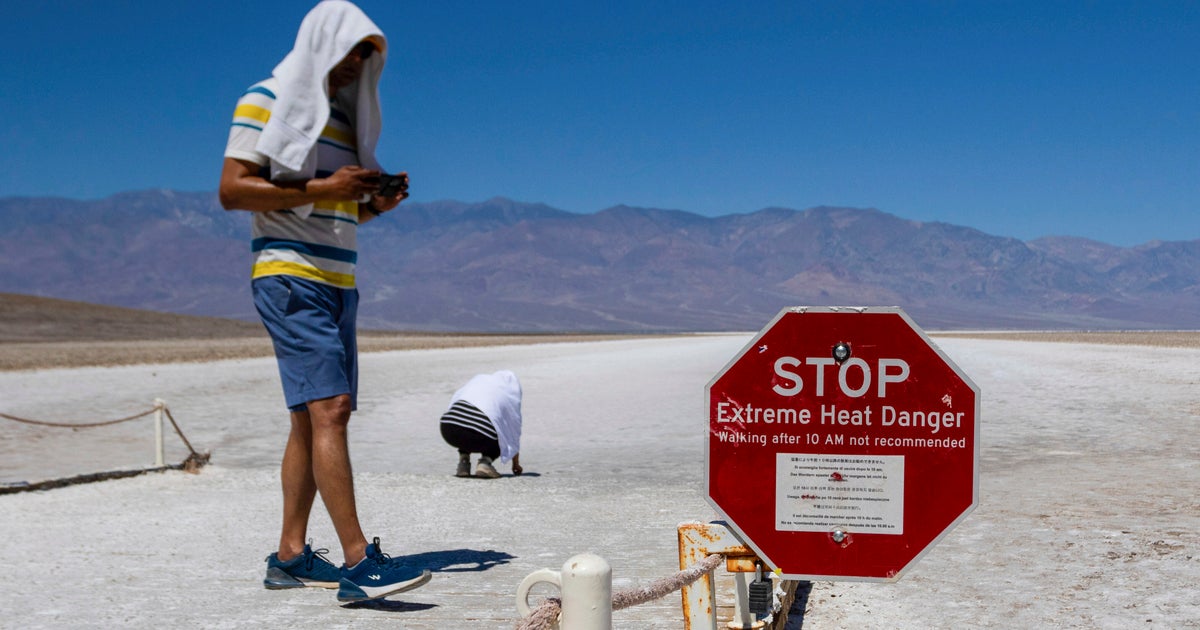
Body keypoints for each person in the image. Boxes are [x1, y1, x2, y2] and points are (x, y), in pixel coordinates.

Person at [217, 0, 429, 603]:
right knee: (331, 408)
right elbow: (233, 190)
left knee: (311, 419)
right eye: (345, 58)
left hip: (339, 279)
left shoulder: (346, 123)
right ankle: (360, 565)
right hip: (287, 274)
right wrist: (327, 186)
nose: (352, 71)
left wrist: (371, 205)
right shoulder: (266, 100)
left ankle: (289, 556)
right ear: (321, 46)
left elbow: (331, 208)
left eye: (364, 61)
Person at [440, 370, 525, 478]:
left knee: (468, 423)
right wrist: (516, 464)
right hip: (479, 434)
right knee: (502, 435)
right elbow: (513, 433)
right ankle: (485, 463)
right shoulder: (508, 396)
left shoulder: (479, 380)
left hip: (448, 428)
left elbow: (455, 401)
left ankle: (463, 462)